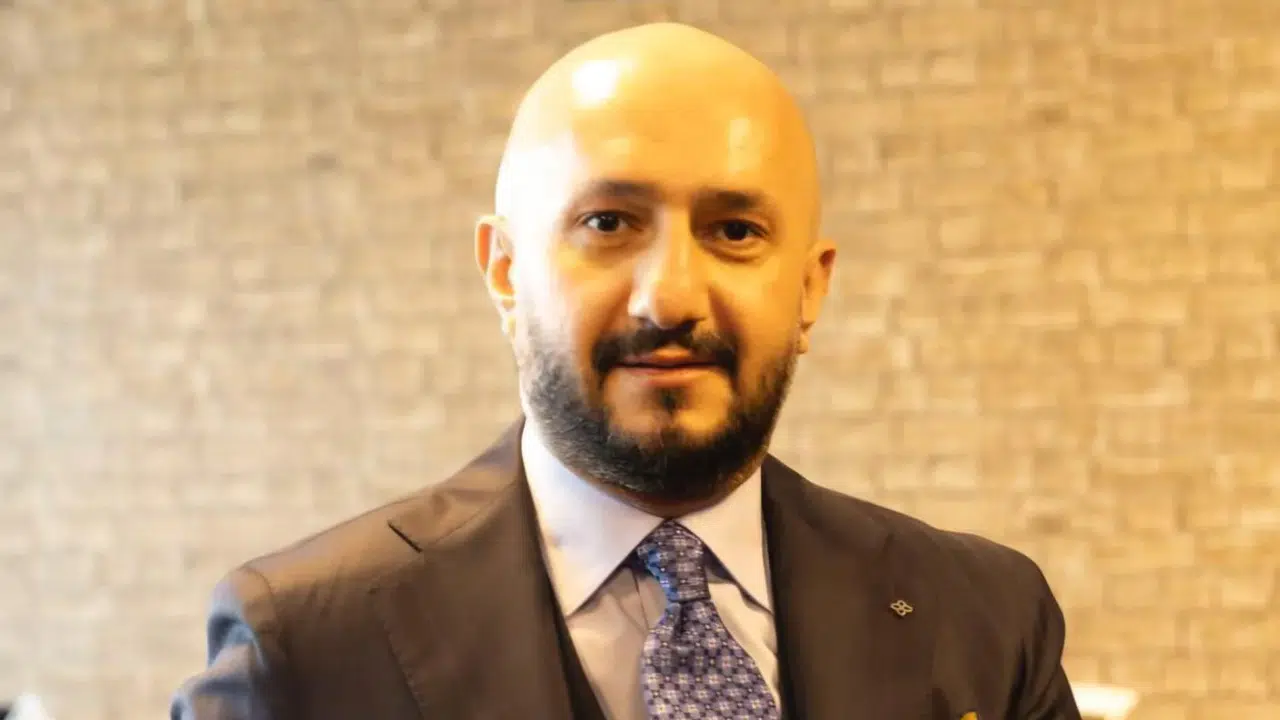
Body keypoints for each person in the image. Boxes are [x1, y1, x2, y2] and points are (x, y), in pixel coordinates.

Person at [171, 22, 1082, 720]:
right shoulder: (304, 648)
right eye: (608, 224)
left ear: (810, 288)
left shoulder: (988, 621)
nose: (670, 298)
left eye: (735, 231)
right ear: (505, 272)